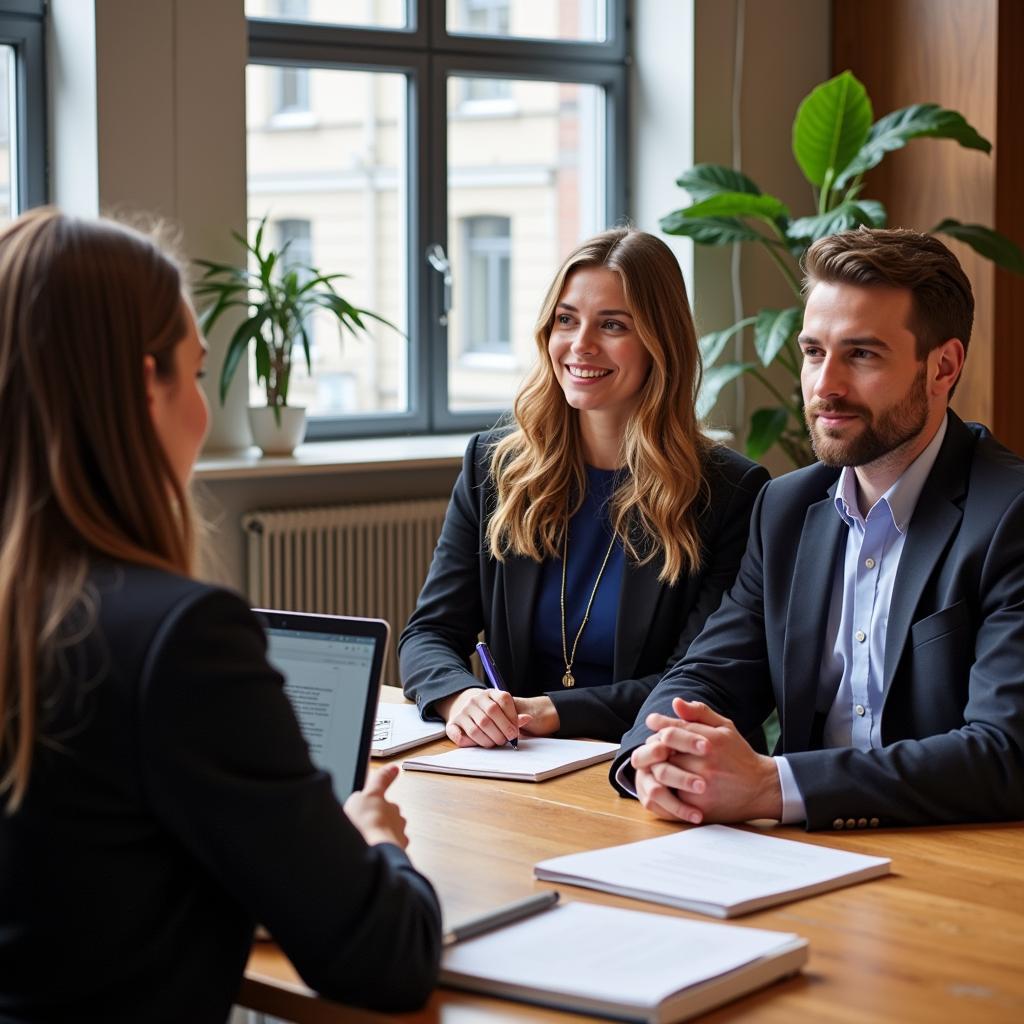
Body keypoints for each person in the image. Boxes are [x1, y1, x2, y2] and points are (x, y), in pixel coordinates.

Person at [0, 208, 441, 1022]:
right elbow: (384, 957)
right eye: (197, 376)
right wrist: (374, 840)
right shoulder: (178, 639)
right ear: (144, 384)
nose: (204, 414)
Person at [612, 226, 1024, 831]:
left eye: (862, 354)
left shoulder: (1009, 513)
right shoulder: (785, 508)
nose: (824, 386)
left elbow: (1005, 751)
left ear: (943, 367)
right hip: (799, 854)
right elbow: (707, 674)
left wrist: (771, 786)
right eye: (812, 352)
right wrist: (656, 756)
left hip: (954, 855)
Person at [400, 227, 770, 747]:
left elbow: (698, 684)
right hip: (516, 761)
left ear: (659, 342)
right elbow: (429, 633)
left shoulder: (730, 491)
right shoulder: (495, 466)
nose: (580, 345)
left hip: (649, 762)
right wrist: (460, 696)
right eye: (566, 320)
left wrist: (553, 711)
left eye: (613, 325)